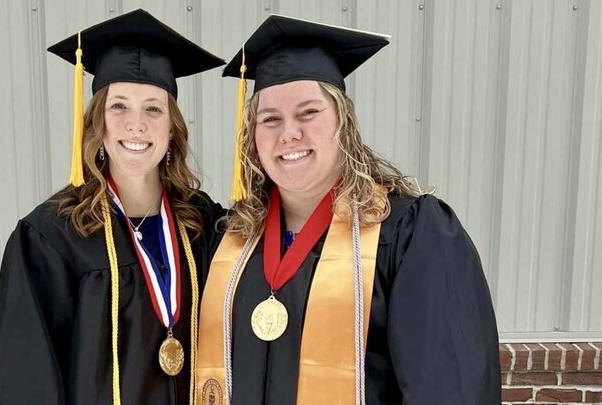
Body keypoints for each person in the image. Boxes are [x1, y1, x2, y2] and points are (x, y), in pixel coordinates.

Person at [196, 14, 500, 405]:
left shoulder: (407, 235)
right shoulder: (231, 240)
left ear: (344, 121)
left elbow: (450, 389)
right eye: (270, 119)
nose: (289, 133)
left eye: (308, 112)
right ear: (252, 138)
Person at [0, 9, 225, 405]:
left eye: (153, 108)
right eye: (119, 106)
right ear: (98, 121)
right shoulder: (51, 236)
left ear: (171, 127)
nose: (136, 123)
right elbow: (25, 377)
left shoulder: (201, 222)